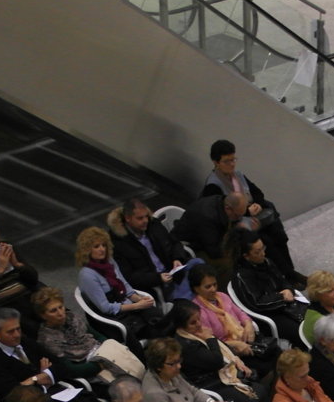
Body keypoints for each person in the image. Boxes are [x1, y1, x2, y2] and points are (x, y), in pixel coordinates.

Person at [198, 140, 297, 277]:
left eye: (233, 159)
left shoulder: (238, 175)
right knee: (265, 241)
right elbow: (223, 215)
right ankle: (286, 274)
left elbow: (256, 192)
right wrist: (246, 211)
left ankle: (289, 270)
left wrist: (258, 203)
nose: (232, 164)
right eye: (227, 161)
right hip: (238, 225)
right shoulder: (213, 186)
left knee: (278, 233)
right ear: (216, 162)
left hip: (254, 216)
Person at [32, 286, 144, 388]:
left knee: (138, 368)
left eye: (60, 307)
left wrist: (109, 348)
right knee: (128, 387)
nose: (60, 313)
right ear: (43, 315)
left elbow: (96, 335)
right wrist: (100, 364)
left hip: (104, 353)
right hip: (89, 365)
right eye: (53, 311)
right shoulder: (47, 339)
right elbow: (70, 369)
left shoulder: (72, 316)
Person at [76, 226, 162, 345]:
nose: (102, 249)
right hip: (112, 318)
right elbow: (106, 308)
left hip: (126, 306)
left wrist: (139, 299)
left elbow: (125, 286)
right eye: (96, 246)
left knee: (156, 316)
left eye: (103, 245)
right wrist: (137, 306)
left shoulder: (109, 261)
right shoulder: (87, 275)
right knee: (155, 327)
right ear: (87, 250)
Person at [187, 265, 274, 379]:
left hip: (245, 339)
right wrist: (235, 344)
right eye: (208, 287)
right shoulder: (197, 312)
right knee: (265, 366)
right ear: (196, 289)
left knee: (275, 352)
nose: (213, 289)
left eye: (215, 284)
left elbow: (240, 313)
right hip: (229, 352)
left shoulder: (222, 296)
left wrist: (248, 325)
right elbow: (210, 341)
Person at [170, 300, 257, 402]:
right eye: (193, 323)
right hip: (210, 383)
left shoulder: (197, 332)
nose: (199, 324)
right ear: (181, 326)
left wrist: (236, 359)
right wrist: (210, 339)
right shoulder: (186, 345)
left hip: (220, 373)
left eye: (199, 319)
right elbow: (217, 361)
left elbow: (224, 347)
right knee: (256, 395)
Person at [108, 197, 191, 302]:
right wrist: (157, 278)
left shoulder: (154, 225)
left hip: (173, 271)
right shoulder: (118, 242)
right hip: (155, 284)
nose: (145, 221)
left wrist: (177, 258)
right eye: (140, 218)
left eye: (146, 216)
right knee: (190, 296)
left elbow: (175, 243)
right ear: (128, 218)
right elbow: (129, 276)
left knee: (200, 269)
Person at [228, 229, 305, 332]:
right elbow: (257, 303)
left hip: (285, 304)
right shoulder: (241, 277)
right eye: (257, 252)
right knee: (301, 331)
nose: (263, 253)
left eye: (263, 248)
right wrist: (281, 297)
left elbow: (282, 280)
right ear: (246, 256)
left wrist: (288, 289)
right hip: (270, 314)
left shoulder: (266, 262)